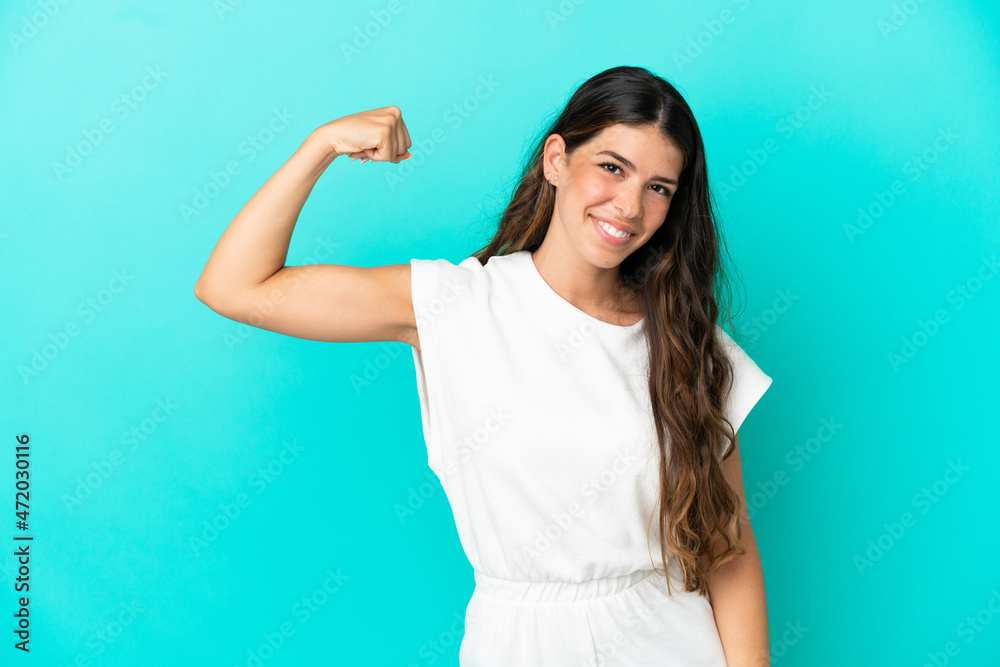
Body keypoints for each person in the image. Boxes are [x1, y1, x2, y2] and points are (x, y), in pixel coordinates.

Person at [194, 65, 774, 666]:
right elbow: (234, 287)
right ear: (556, 160)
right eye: (611, 166)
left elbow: (727, 547)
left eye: (659, 187)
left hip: (670, 642)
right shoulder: (454, 305)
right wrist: (320, 146)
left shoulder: (685, 342)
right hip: (518, 642)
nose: (628, 205)